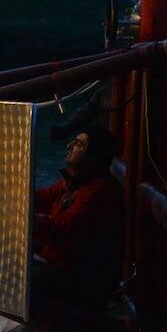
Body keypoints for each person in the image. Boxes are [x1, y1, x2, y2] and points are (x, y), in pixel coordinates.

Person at [31, 126, 125, 317]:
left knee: (22, 282)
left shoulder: (98, 191)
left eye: (78, 144)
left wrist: (25, 220)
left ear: (93, 158)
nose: (69, 146)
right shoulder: (75, 182)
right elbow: (40, 198)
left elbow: (63, 229)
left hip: (81, 275)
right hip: (62, 261)